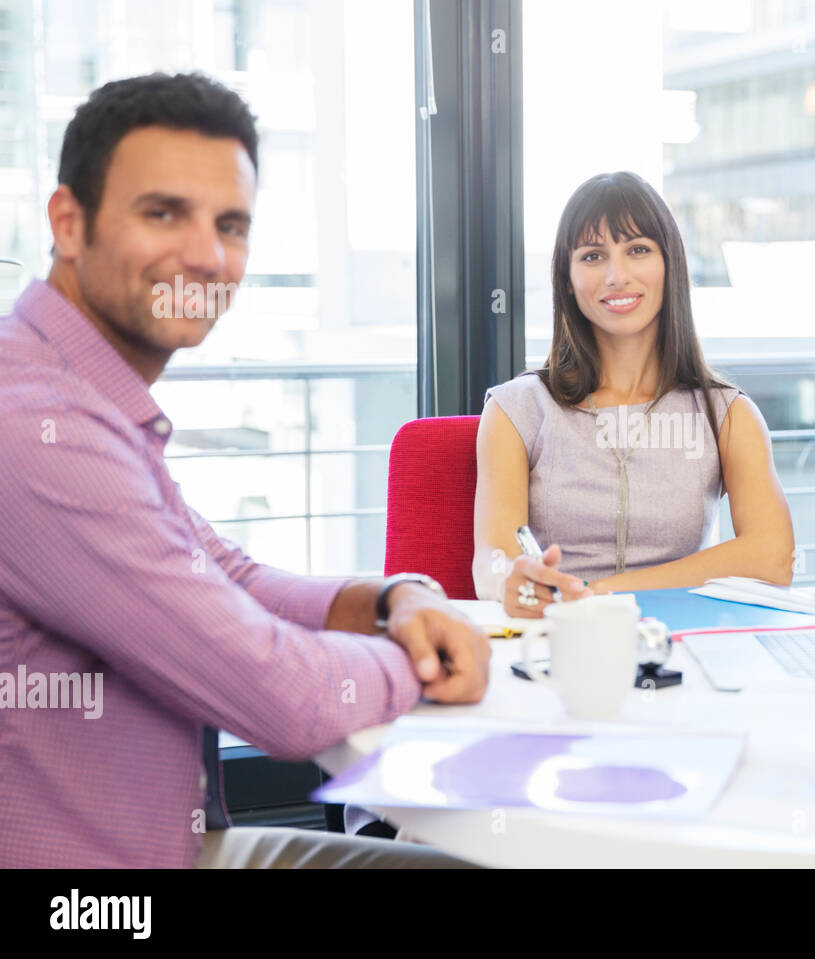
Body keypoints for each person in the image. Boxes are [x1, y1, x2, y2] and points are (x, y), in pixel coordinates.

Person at [0, 73, 491, 868]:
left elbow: (221, 573)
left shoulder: (78, 391)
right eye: (163, 213)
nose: (206, 255)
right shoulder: (34, 427)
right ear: (69, 222)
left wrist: (391, 601)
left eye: (230, 224)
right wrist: (420, 659)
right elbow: (284, 700)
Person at [473, 171, 794, 616]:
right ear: (567, 279)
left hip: (680, 640)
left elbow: (772, 558)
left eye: (638, 250)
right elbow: (491, 560)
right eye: (592, 256)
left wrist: (600, 592)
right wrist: (507, 577)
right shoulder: (516, 409)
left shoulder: (727, 412)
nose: (616, 275)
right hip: (560, 633)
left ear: (670, 265)